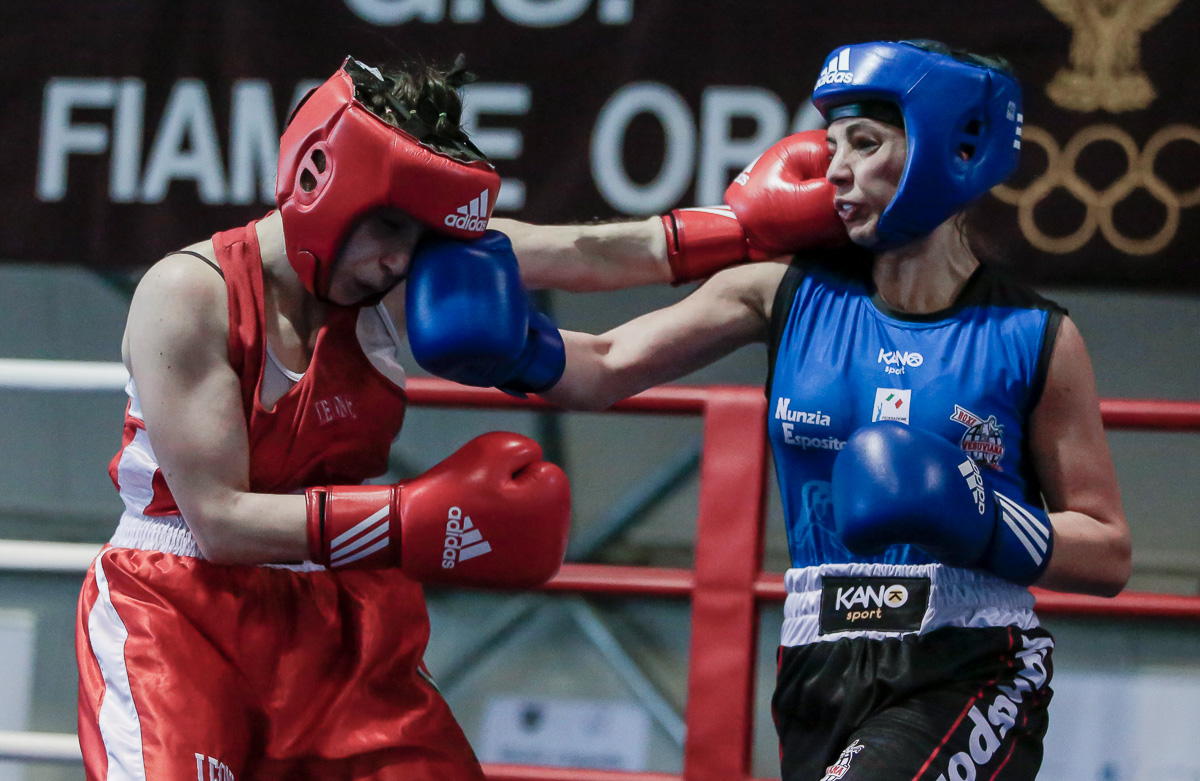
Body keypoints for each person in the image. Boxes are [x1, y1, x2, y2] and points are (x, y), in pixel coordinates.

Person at [410, 40, 1131, 780]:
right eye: (832, 143)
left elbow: (1108, 549)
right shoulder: (783, 289)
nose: (838, 167)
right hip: (817, 662)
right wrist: (510, 348)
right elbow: (606, 367)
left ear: (953, 145)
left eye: (867, 141)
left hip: (970, 658)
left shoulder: (1031, 336)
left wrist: (985, 518)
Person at [74, 55, 594, 781]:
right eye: (386, 225)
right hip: (179, 605)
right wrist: (408, 518)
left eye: (417, 237)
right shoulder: (188, 293)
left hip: (340, 619)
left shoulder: (388, 286)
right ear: (321, 180)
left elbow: (584, 253)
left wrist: (743, 237)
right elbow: (219, 521)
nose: (395, 260)